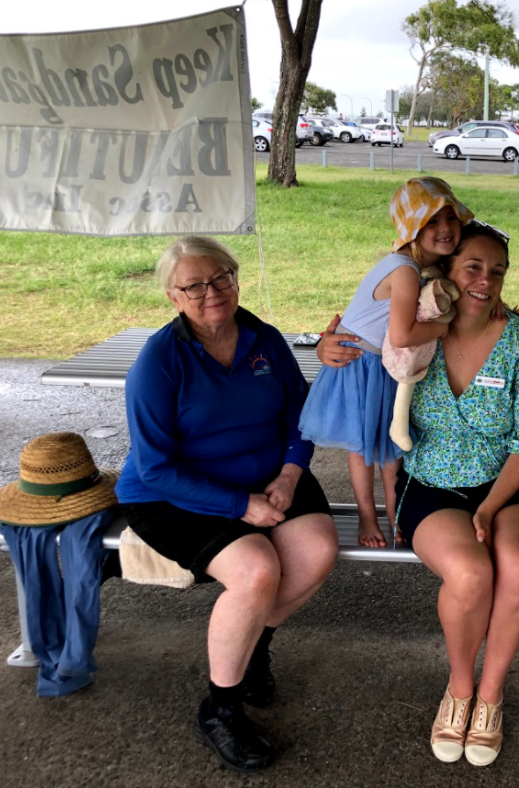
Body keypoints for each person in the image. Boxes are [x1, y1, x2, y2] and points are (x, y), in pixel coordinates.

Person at [115, 236, 338, 773]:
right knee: (257, 571)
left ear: (236, 279)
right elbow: (155, 467)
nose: (211, 292)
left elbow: (299, 416)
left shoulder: (264, 338)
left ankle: (253, 647)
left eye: (222, 278)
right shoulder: (158, 361)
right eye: (194, 285)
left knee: (315, 554)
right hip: (174, 491)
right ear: (174, 296)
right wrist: (242, 505)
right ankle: (220, 708)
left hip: (267, 474)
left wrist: (288, 474)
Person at [396, 223, 519, 766]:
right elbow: (352, 343)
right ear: (446, 268)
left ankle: (491, 696)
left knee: (516, 563)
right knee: (471, 572)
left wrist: (491, 506)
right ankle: (460, 688)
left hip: (510, 485)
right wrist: (330, 344)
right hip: (432, 483)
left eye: (497, 271)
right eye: (473, 266)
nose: (485, 281)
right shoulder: (419, 333)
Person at [299, 176, 474, 548]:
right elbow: (403, 335)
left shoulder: (421, 265)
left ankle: (397, 516)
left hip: (382, 364)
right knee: (363, 448)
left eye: (450, 218)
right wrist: (446, 328)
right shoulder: (405, 270)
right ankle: (367, 515)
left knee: (391, 455)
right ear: (411, 230)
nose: (444, 229)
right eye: (430, 222)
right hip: (360, 364)